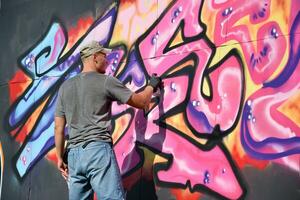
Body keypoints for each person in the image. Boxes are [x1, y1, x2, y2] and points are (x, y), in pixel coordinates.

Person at [54, 40, 161, 200]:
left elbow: (58, 127)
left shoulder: (65, 87)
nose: (108, 60)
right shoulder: (105, 81)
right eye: (104, 56)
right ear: (95, 57)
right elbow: (141, 102)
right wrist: (151, 86)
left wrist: (60, 157)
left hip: (73, 156)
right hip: (97, 151)